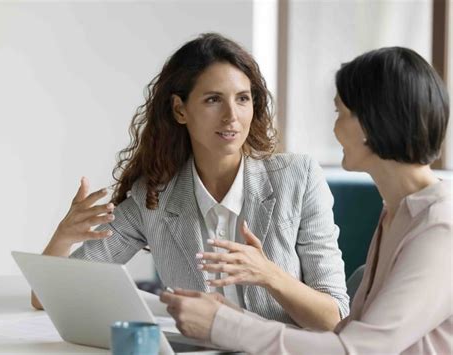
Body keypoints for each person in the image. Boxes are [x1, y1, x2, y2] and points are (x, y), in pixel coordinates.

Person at [32, 33, 349, 330]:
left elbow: (335, 318)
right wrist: (63, 237)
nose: (231, 116)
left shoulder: (298, 177)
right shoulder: (154, 197)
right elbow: (46, 298)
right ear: (180, 109)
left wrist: (270, 276)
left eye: (242, 99)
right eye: (213, 100)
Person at [160, 46, 452, 354]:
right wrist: (232, 316)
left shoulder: (439, 227)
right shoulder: (398, 213)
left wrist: (223, 325)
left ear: (371, 122)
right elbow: (347, 335)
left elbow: (357, 349)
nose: (335, 127)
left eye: (341, 112)